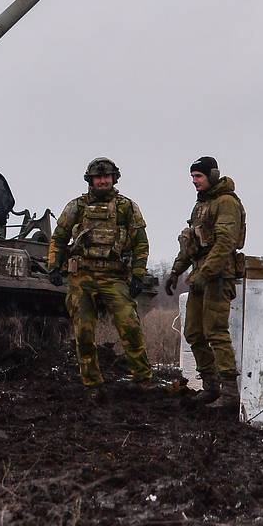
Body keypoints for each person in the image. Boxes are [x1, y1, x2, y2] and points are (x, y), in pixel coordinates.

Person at [47, 158, 154, 389]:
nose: (103, 181)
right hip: (82, 276)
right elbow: (59, 237)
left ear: (114, 178)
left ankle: (143, 380)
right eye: (98, 177)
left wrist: (137, 274)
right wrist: (54, 267)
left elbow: (141, 244)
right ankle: (92, 383)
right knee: (84, 333)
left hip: (114, 278)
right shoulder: (77, 206)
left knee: (130, 326)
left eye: (107, 177)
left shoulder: (126, 207)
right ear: (91, 180)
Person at [163, 156, 246, 408]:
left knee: (216, 332)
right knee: (193, 332)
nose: (194, 182)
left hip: (218, 277)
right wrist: (176, 271)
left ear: (212, 175)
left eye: (198, 176)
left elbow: (224, 245)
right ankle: (210, 387)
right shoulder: (201, 205)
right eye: (192, 177)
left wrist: (203, 275)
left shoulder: (226, 203)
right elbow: (191, 244)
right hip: (200, 276)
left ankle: (230, 393)